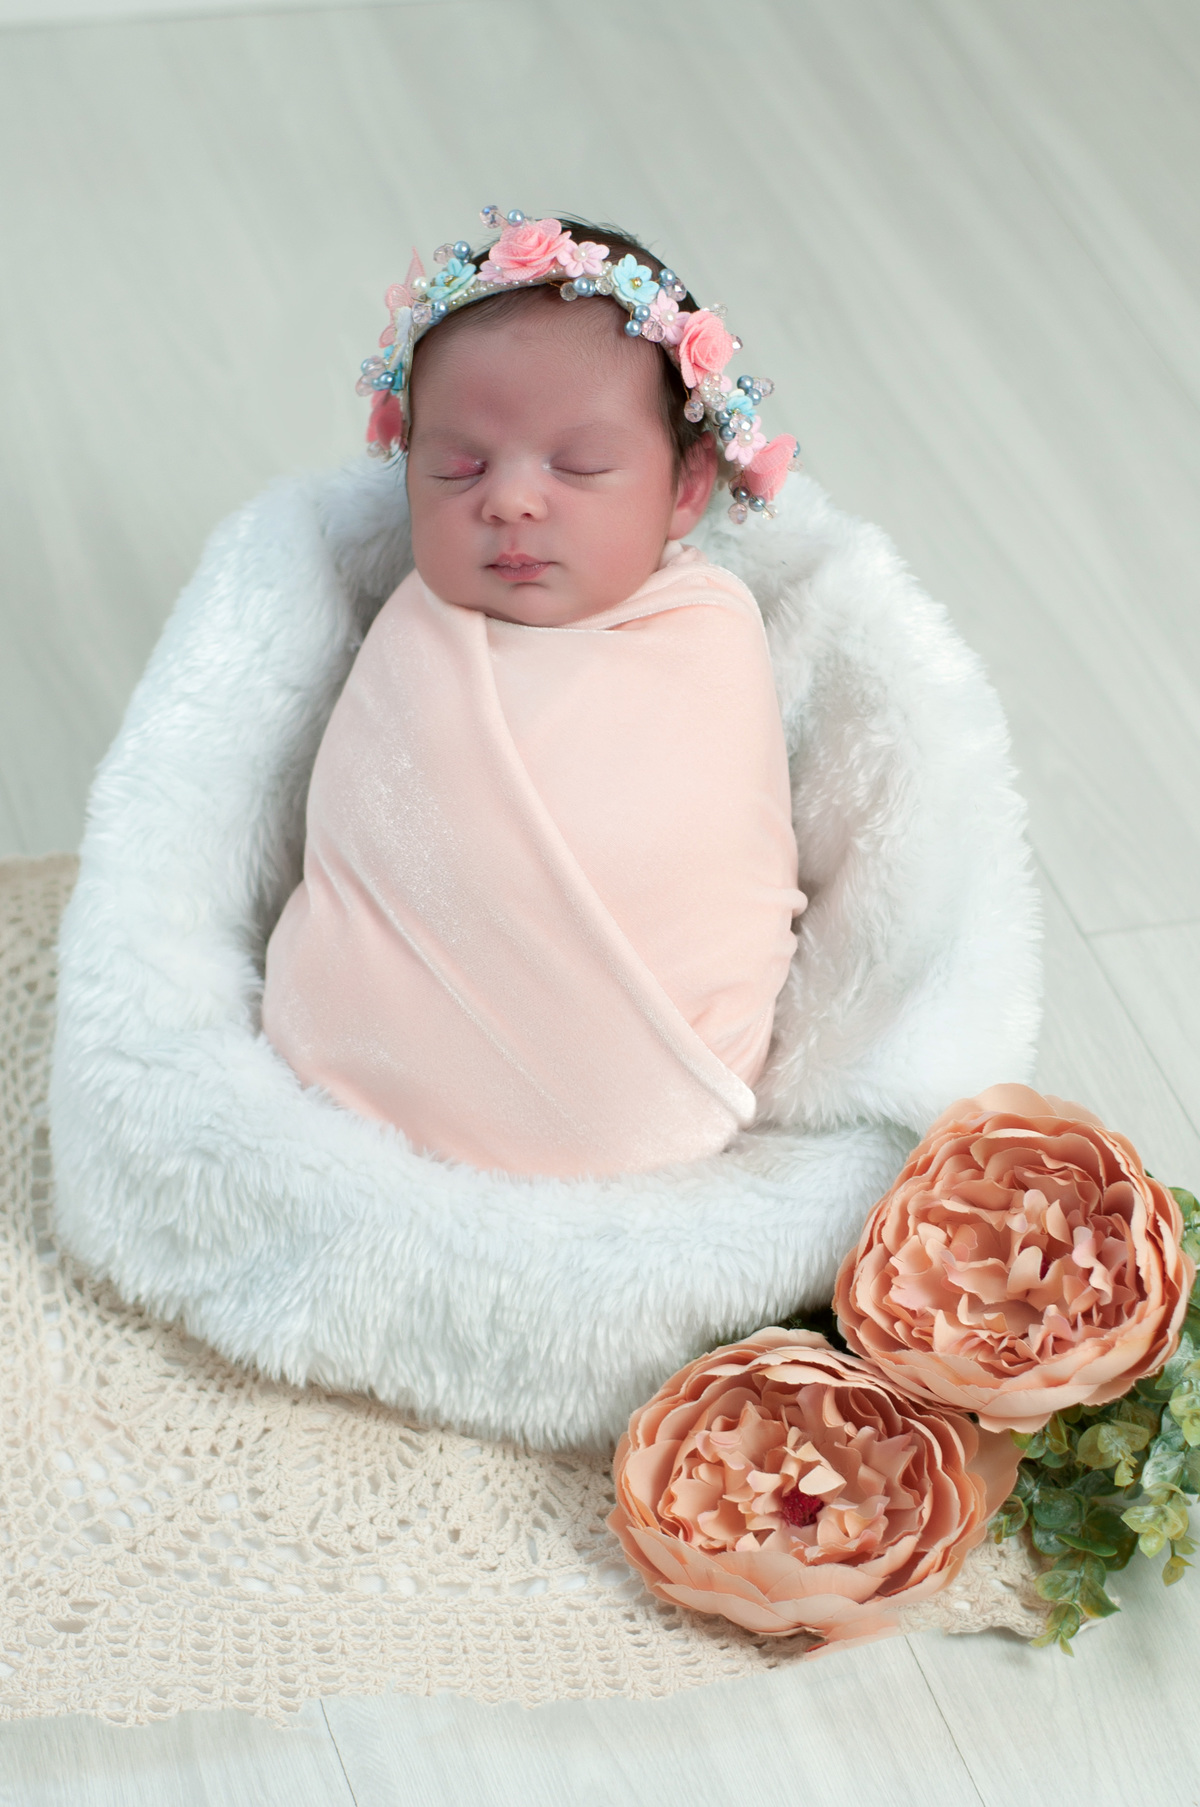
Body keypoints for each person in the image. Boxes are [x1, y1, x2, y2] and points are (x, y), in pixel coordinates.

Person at [261, 209, 806, 1178]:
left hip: (641, 1086)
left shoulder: (709, 633)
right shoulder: (416, 628)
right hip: (354, 1064)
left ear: (687, 488)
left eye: (580, 466)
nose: (509, 499)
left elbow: (710, 847)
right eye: (458, 467)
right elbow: (371, 819)